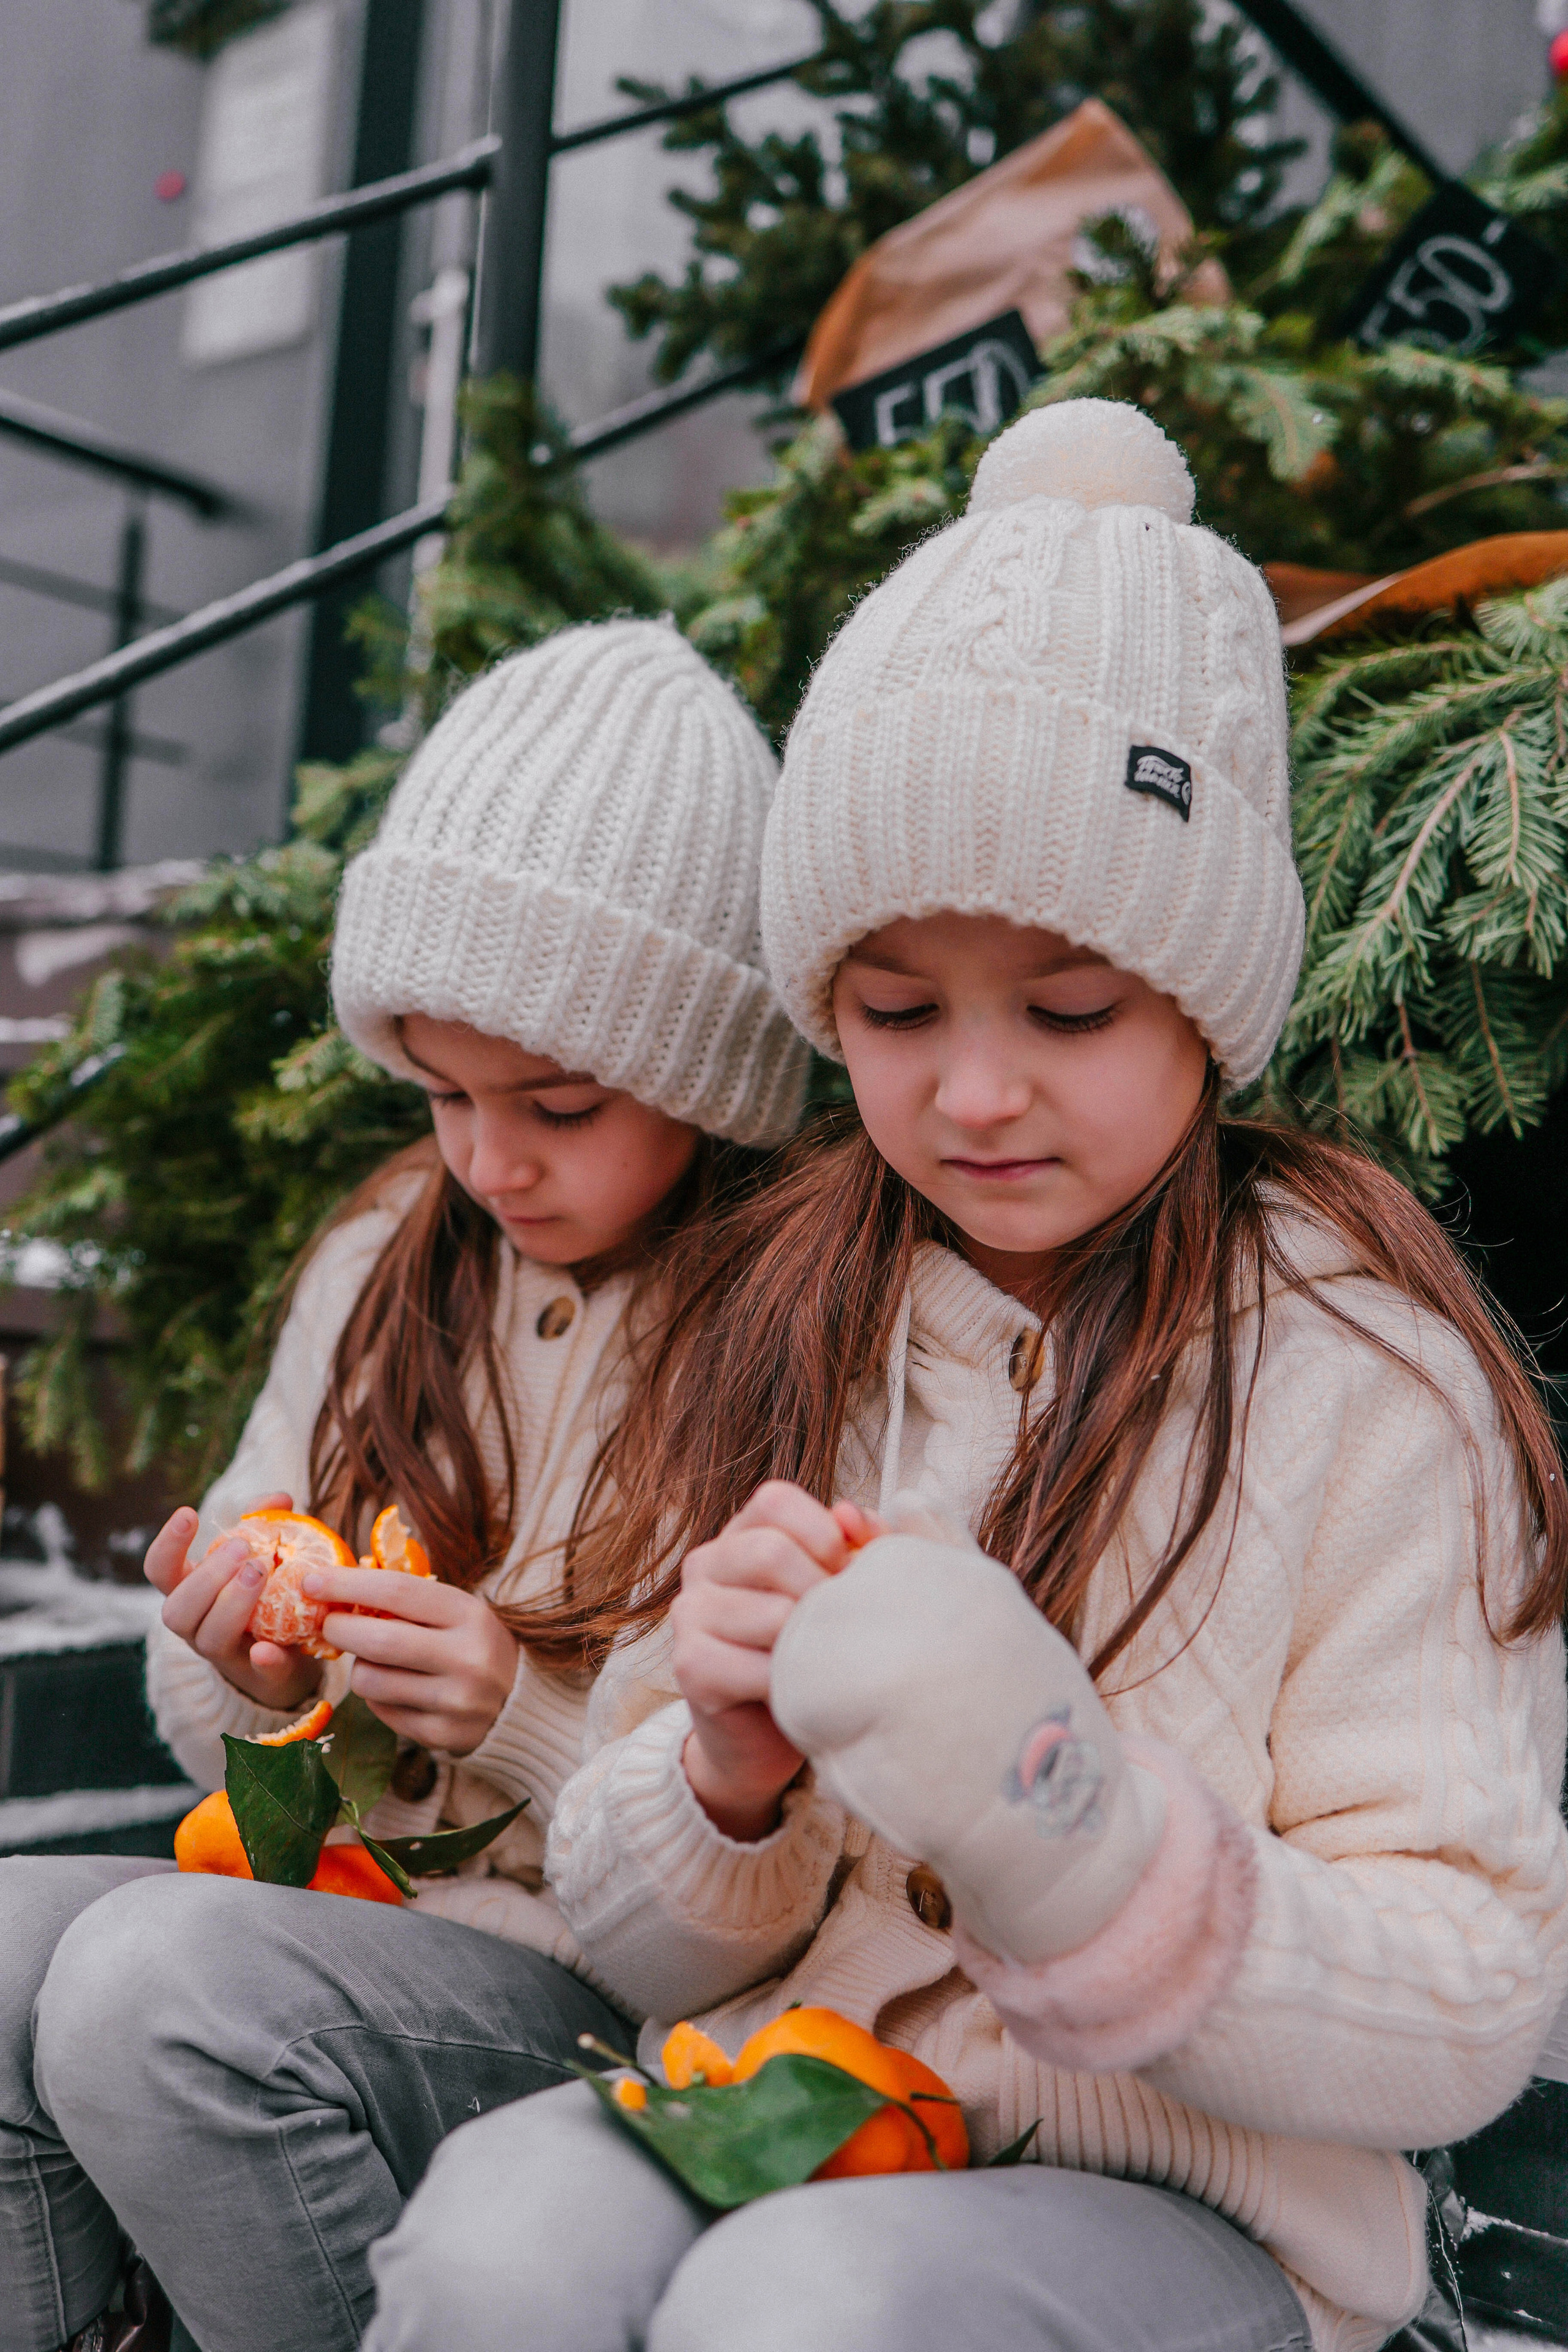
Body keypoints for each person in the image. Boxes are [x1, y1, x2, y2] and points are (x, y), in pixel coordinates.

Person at [366, 402, 1568, 2352]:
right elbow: (641, 1929)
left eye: (1071, 1008)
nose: (977, 1089)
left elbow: (1472, 1996)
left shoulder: (1363, 1374)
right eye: (896, 1010)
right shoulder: (788, 1315)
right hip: (795, 2096)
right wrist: (724, 1783)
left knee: (807, 2313)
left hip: (1188, 2206)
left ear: (1209, 995)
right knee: (505, 2239)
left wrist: (1091, 1838)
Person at [0, 616, 806, 2352]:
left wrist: (523, 1714)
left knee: (153, 1993)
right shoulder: (390, 1253)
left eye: (562, 1103)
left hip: (615, 1989)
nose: (488, 1157)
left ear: (705, 1077)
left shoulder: (787, 1321)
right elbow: (214, 1692)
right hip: (342, 1923)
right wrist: (254, 1675)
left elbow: (757, 1897)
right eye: (441, 1091)